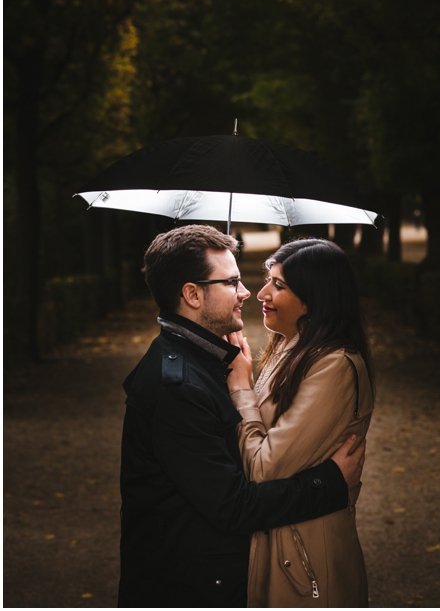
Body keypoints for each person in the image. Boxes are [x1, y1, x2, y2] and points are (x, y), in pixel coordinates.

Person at [119, 225, 366, 607]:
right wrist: (330, 484)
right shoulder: (178, 385)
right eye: (232, 281)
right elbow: (235, 505)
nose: (248, 292)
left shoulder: (205, 358)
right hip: (188, 591)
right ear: (192, 294)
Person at [226, 239, 375, 607]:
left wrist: (241, 387)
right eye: (267, 279)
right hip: (276, 540)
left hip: (305, 561)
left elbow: (262, 467)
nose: (262, 292)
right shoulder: (289, 346)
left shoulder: (334, 365)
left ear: (313, 298)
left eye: (279, 284)